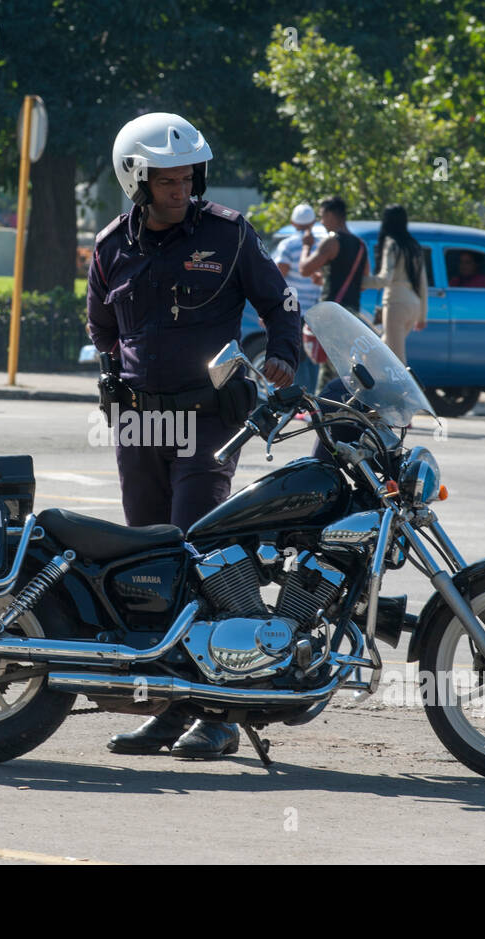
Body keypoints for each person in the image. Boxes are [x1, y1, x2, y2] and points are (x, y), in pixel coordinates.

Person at [88, 111, 300, 760]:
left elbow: (279, 300)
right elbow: (101, 326)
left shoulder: (230, 235)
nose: (180, 190)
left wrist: (284, 351)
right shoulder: (108, 246)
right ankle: (165, 707)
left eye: (187, 178)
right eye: (166, 181)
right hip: (139, 423)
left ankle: (218, 714)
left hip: (209, 422)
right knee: (150, 569)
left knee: (202, 560)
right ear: (137, 181)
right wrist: (111, 379)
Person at [362, 205, 427, 364]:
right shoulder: (413, 245)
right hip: (414, 304)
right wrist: (422, 316)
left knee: (397, 359)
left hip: (396, 303)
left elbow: (385, 279)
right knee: (376, 354)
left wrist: (359, 282)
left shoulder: (392, 244)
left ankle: (406, 389)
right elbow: (423, 282)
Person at [273, 203, 324, 388]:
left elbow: (278, 277)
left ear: (293, 222)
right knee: (315, 357)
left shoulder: (287, 245)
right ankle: (314, 401)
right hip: (316, 312)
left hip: (294, 310)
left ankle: (302, 403)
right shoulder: (321, 244)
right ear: (314, 222)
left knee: (299, 357)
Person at [300, 196, 368, 314]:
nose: (321, 222)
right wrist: (325, 280)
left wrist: (306, 246)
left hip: (332, 314)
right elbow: (362, 284)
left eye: (322, 216)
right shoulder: (361, 245)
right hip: (352, 314)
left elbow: (304, 269)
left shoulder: (331, 242)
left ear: (330, 215)